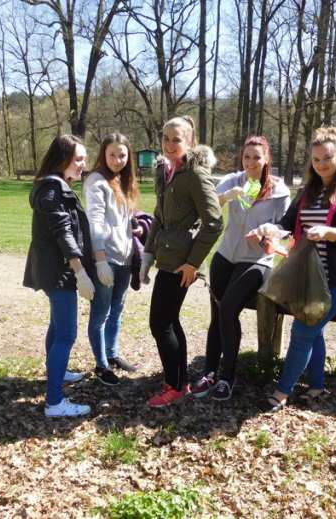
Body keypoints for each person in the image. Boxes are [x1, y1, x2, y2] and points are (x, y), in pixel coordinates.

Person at [252, 126, 336, 411]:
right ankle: (316, 386)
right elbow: (289, 223)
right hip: (306, 277)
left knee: (303, 331)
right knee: (313, 331)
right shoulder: (307, 192)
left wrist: (329, 232)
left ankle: (282, 391)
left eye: (327, 158)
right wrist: (272, 230)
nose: (321, 165)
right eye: (316, 160)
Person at [190, 135, 290, 401]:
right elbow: (207, 204)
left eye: (257, 157)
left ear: (266, 158)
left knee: (228, 309)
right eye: (247, 157)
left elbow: (285, 228)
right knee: (217, 315)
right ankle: (209, 372)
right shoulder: (234, 181)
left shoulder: (278, 189)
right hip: (225, 256)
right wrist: (226, 196)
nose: (251, 162)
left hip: (256, 261)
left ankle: (227, 377)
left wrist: (270, 230)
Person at [140, 115, 223, 407]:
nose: (170, 144)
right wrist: (146, 258)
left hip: (181, 264)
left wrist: (193, 264)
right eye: (166, 138)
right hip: (166, 258)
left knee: (160, 323)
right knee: (168, 320)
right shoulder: (166, 173)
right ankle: (178, 380)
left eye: (177, 139)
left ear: (190, 141)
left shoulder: (196, 175)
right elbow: (159, 218)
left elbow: (214, 223)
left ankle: (175, 385)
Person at [23, 134, 96, 418]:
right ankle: (54, 402)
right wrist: (81, 273)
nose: (83, 165)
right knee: (66, 334)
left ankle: (59, 372)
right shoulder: (52, 190)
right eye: (78, 159)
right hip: (59, 271)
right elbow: (63, 234)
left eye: (83, 159)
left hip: (52, 269)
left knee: (57, 327)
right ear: (62, 159)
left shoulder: (52, 186)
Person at [82, 133, 140, 386]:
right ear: (103, 155)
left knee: (117, 310)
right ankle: (101, 364)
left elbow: (118, 219)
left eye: (122, 155)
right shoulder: (97, 181)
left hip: (124, 258)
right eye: (112, 155)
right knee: (100, 314)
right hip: (105, 258)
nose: (117, 160)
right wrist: (100, 259)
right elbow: (95, 222)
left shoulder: (122, 181)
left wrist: (133, 228)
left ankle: (113, 353)